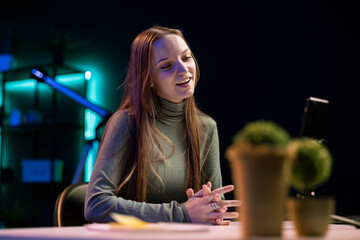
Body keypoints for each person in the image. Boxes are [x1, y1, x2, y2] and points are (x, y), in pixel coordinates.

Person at [84, 26, 240, 225]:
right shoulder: (126, 122)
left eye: (186, 58)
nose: (184, 70)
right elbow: (96, 205)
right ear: (148, 79)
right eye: (166, 66)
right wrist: (182, 213)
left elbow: (214, 205)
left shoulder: (207, 127)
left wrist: (212, 207)